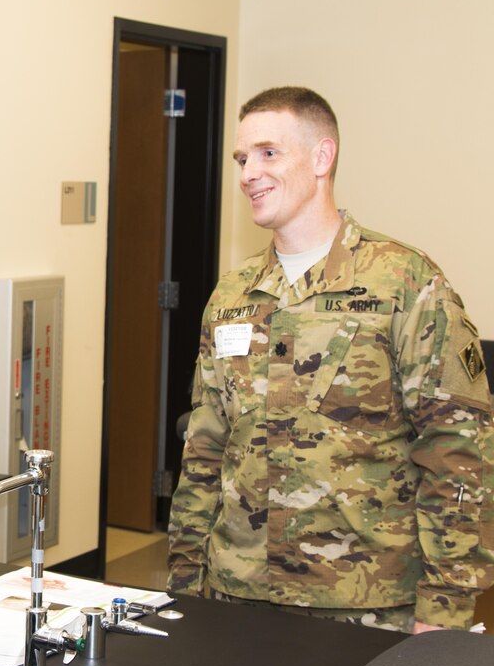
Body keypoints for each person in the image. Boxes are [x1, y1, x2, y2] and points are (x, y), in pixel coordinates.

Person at [167, 87, 494, 633]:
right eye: (242, 158)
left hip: (367, 602)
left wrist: (445, 608)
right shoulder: (233, 294)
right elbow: (205, 449)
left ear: (322, 157)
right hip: (233, 594)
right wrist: (183, 581)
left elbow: (457, 453)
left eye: (269, 153)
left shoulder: (405, 282)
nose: (249, 172)